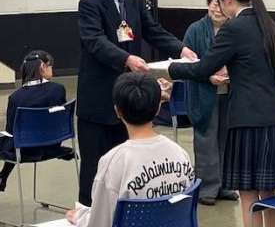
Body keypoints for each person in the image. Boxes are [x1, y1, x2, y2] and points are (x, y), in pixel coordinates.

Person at [169, 0, 275, 227]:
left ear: (227, 0)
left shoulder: (234, 28)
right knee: (269, 191)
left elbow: (203, 68)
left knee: (248, 191)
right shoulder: (268, 23)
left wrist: (170, 69)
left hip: (248, 118)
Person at [77, 0, 196, 206]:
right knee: (94, 170)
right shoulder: (90, 3)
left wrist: (181, 48)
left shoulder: (135, 0)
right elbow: (94, 41)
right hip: (98, 101)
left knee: (125, 167)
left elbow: (153, 30)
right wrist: (127, 59)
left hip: (128, 100)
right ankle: (88, 215)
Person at [66, 73, 195, 227]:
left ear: (117, 111)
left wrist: (80, 217)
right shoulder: (180, 154)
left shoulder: (112, 162)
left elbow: (100, 222)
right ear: (158, 108)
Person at [183, 0, 238, 206]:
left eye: (221, 5)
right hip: (203, 93)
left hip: (229, 92)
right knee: (206, 141)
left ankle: (225, 185)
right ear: (208, 4)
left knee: (226, 139)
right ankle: (206, 188)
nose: (217, 10)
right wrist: (208, 77)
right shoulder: (195, 30)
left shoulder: (234, 29)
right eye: (214, 4)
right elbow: (188, 65)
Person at [0, 50, 71, 191]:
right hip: (52, 144)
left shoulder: (15, 97)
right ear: (43, 66)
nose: (52, 69)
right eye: (51, 65)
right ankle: (3, 176)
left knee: (10, 137)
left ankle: (3, 175)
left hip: (25, 150)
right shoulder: (58, 89)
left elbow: (11, 132)